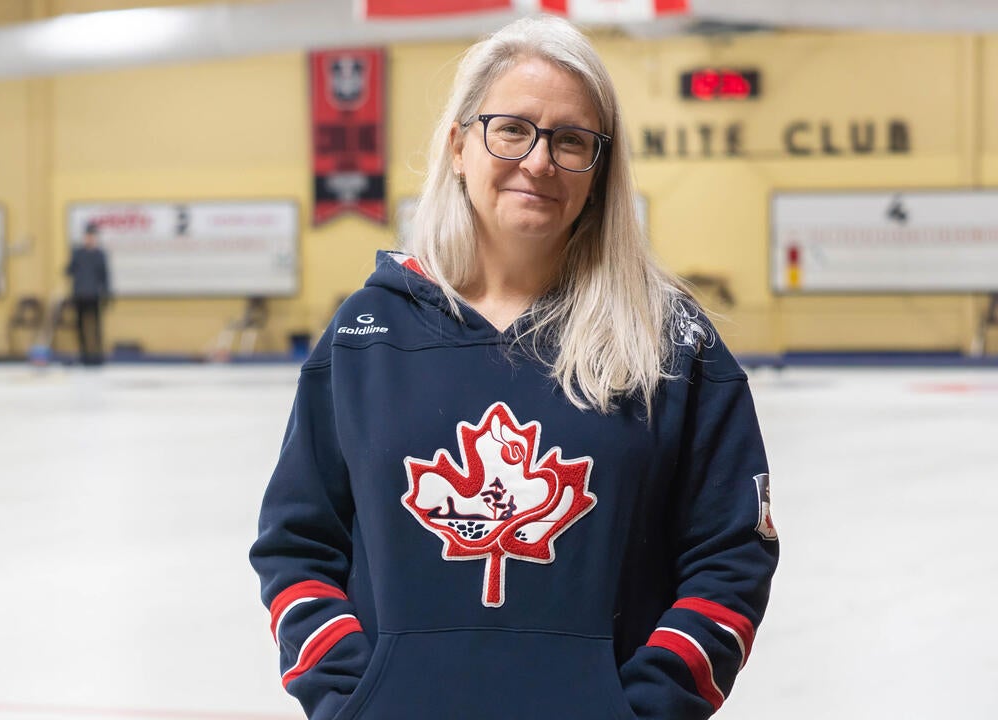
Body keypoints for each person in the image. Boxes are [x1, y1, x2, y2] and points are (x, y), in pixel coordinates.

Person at [249, 16, 777, 720]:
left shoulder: (670, 340)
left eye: (571, 140)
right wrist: (352, 698)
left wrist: (646, 708)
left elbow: (731, 555)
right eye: (512, 129)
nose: (539, 161)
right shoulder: (367, 333)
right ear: (460, 144)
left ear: (600, 169)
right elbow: (297, 543)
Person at [65, 221, 112, 365]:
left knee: (96, 327)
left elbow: (105, 275)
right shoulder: (78, 253)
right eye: (88, 236)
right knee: (80, 327)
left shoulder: (99, 254)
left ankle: (97, 355)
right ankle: (84, 355)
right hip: (79, 295)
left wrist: (106, 293)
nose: (90, 238)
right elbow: (68, 271)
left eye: (92, 236)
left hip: (94, 295)